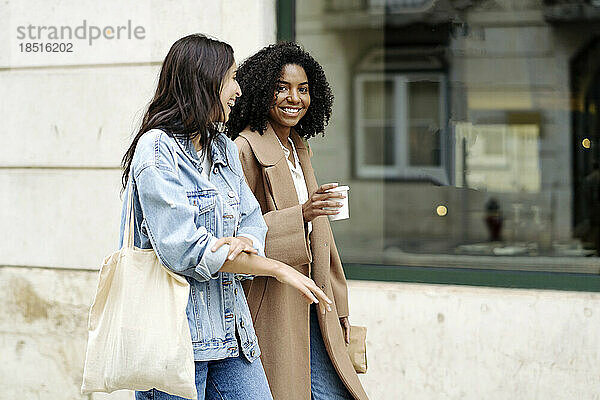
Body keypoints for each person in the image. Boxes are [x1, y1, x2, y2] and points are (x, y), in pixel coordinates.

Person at [120, 34, 332, 400]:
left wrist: (246, 241)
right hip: (178, 340)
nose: (237, 90)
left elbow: (252, 220)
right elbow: (185, 250)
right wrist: (277, 268)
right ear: (204, 81)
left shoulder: (221, 147)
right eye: (231, 78)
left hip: (234, 334)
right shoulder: (156, 150)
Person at [227, 42, 369, 400]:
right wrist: (300, 214)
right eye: (282, 87)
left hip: (313, 301)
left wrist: (340, 307)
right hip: (274, 303)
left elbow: (323, 238)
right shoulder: (244, 149)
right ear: (261, 91)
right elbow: (236, 237)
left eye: (303, 89)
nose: (294, 98)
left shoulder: (298, 147)